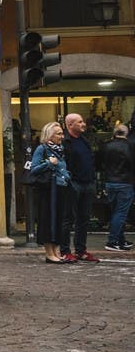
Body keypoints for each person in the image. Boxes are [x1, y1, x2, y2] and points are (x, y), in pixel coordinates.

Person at [29, 122, 70, 263]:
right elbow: (33, 169)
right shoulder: (42, 149)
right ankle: (49, 253)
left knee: (58, 219)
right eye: (58, 134)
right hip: (48, 190)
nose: (62, 136)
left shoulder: (61, 149)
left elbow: (63, 167)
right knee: (48, 220)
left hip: (61, 187)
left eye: (61, 133)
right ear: (49, 135)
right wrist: (48, 163)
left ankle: (56, 251)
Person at [61, 113, 99, 263]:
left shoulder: (84, 140)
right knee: (68, 219)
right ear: (70, 125)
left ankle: (80, 250)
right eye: (80, 122)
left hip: (87, 183)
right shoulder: (65, 142)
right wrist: (68, 180)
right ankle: (65, 251)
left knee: (84, 219)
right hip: (73, 183)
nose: (84, 124)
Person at [100, 124, 134, 252]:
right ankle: (113, 241)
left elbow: (99, 163)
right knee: (120, 213)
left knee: (116, 212)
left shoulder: (106, 145)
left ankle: (120, 239)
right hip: (125, 182)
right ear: (126, 133)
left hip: (110, 182)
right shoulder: (129, 146)